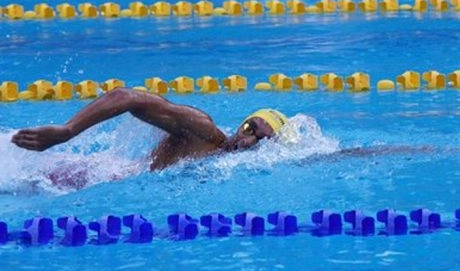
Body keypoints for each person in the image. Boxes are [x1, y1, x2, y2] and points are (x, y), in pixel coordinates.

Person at [11, 88, 289, 170]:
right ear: (242, 124)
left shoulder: (225, 167)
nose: (249, 141)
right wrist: (67, 131)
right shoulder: (204, 132)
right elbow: (127, 97)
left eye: (262, 140)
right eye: (250, 128)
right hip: (73, 176)